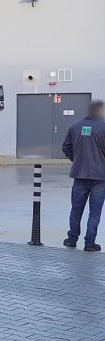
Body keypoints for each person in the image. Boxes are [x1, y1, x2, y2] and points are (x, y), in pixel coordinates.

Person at [62, 99, 105, 252]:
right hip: (100, 177)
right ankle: (89, 243)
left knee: (76, 209)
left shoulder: (75, 126)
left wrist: (76, 159)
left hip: (79, 175)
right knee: (95, 212)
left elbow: (66, 147)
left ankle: (72, 239)